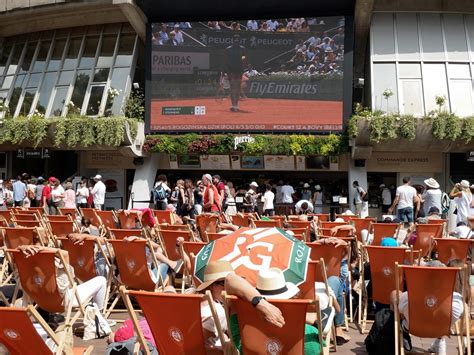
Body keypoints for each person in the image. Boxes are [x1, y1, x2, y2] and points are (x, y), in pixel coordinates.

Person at [225, 267, 331, 354]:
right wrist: (299, 316)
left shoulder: (244, 333)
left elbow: (230, 279)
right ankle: (313, 317)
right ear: (288, 298)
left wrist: (261, 303)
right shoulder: (308, 335)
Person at [390, 259, 464, 354]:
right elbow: (461, 314)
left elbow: (399, 309)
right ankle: (439, 343)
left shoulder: (409, 296)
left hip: (413, 328)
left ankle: (396, 340)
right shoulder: (456, 300)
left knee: (396, 297)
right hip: (442, 330)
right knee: (442, 314)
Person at [16, 244, 108, 311]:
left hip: (39, 302)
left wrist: (20, 247)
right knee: (101, 280)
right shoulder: (59, 280)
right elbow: (64, 254)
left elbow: (14, 258)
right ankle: (99, 317)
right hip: (63, 302)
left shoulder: (25, 278)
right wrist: (45, 249)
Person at [225, 34, 246, 112]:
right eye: (235, 39)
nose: (236, 41)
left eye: (238, 40)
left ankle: (236, 105)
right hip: (231, 70)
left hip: (239, 70)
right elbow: (226, 60)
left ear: (239, 41)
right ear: (233, 40)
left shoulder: (243, 49)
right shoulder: (228, 49)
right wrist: (225, 71)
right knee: (232, 87)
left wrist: (243, 64)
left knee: (237, 87)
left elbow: (244, 57)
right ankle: (233, 105)